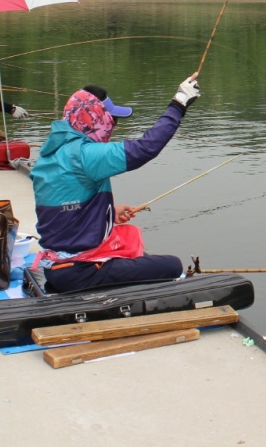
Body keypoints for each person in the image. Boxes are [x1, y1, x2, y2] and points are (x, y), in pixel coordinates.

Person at [29, 76, 201, 293]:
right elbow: (145, 148)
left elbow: (63, 210)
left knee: (141, 257)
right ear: (94, 118)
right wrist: (179, 103)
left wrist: (106, 212)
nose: (114, 126)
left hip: (57, 268)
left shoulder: (50, 154)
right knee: (172, 266)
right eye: (111, 119)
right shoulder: (85, 155)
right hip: (81, 270)